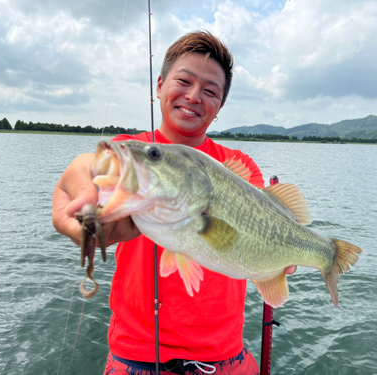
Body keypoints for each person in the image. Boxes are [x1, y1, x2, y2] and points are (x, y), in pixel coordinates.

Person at [52, 30, 295, 375]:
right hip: (136, 360)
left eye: (210, 91)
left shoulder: (240, 166)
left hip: (228, 360)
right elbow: (90, 168)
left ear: (220, 107)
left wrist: (280, 255)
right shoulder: (130, 151)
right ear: (160, 85)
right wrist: (81, 192)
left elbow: (252, 231)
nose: (194, 96)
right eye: (184, 81)